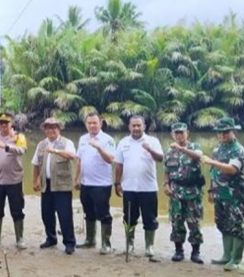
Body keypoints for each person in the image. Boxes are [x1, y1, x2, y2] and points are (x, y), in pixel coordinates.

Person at [200, 117, 244, 272]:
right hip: (220, 193)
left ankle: (236, 259)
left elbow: (232, 169)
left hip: (235, 194)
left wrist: (211, 162)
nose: (222, 135)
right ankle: (226, 255)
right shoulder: (218, 149)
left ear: (232, 131)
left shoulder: (238, 149)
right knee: (223, 224)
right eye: (219, 133)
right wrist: (211, 190)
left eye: (225, 132)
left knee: (237, 226)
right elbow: (214, 172)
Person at [114, 115, 163, 258]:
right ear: (129, 127)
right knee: (129, 218)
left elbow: (160, 159)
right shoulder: (123, 142)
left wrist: (150, 150)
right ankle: (130, 244)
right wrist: (117, 183)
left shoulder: (152, 141)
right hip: (128, 188)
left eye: (139, 125)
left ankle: (149, 246)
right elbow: (118, 165)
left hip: (148, 188)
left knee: (150, 218)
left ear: (144, 127)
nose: (136, 128)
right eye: (133, 125)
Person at [32, 118, 77, 254]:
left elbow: (72, 155)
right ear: (44, 130)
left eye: (54, 127)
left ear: (59, 129)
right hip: (46, 184)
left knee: (65, 215)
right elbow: (35, 163)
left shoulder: (66, 142)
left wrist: (55, 150)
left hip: (62, 185)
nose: (51, 130)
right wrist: (35, 181)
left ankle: (69, 243)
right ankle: (51, 238)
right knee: (46, 214)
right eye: (48, 128)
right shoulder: (41, 144)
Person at [73, 112, 116, 254]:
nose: (92, 126)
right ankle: (90, 240)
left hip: (102, 184)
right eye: (89, 123)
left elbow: (110, 159)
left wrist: (98, 147)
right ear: (86, 124)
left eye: (94, 123)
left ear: (100, 123)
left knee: (103, 213)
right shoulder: (83, 139)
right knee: (88, 212)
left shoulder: (107, 139)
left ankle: (106, 243)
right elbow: (79, 160)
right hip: (86, 183)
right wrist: (76, 178)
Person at [0, 111, 28, 249]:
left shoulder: (18, 137)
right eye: (1, 123)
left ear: (12, 123)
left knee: (17, 210)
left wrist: (6, 146)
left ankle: (19, 239)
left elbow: (22, 150)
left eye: (6, 123)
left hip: (14, 180)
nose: (3, 125)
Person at [163, 122, 204, 264]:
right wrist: (166, 184)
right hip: (175, 192)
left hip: (192, 191)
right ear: (172, 135)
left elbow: (198, 157)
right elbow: (167, 171)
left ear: (187, 133)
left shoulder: (195, 147)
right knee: (176, 221)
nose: (179, 135)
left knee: (194, 222)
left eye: (182, 132)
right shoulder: (169, 152)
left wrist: (181, 149)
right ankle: (178, 250)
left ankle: (196, 252)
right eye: (176, 133)